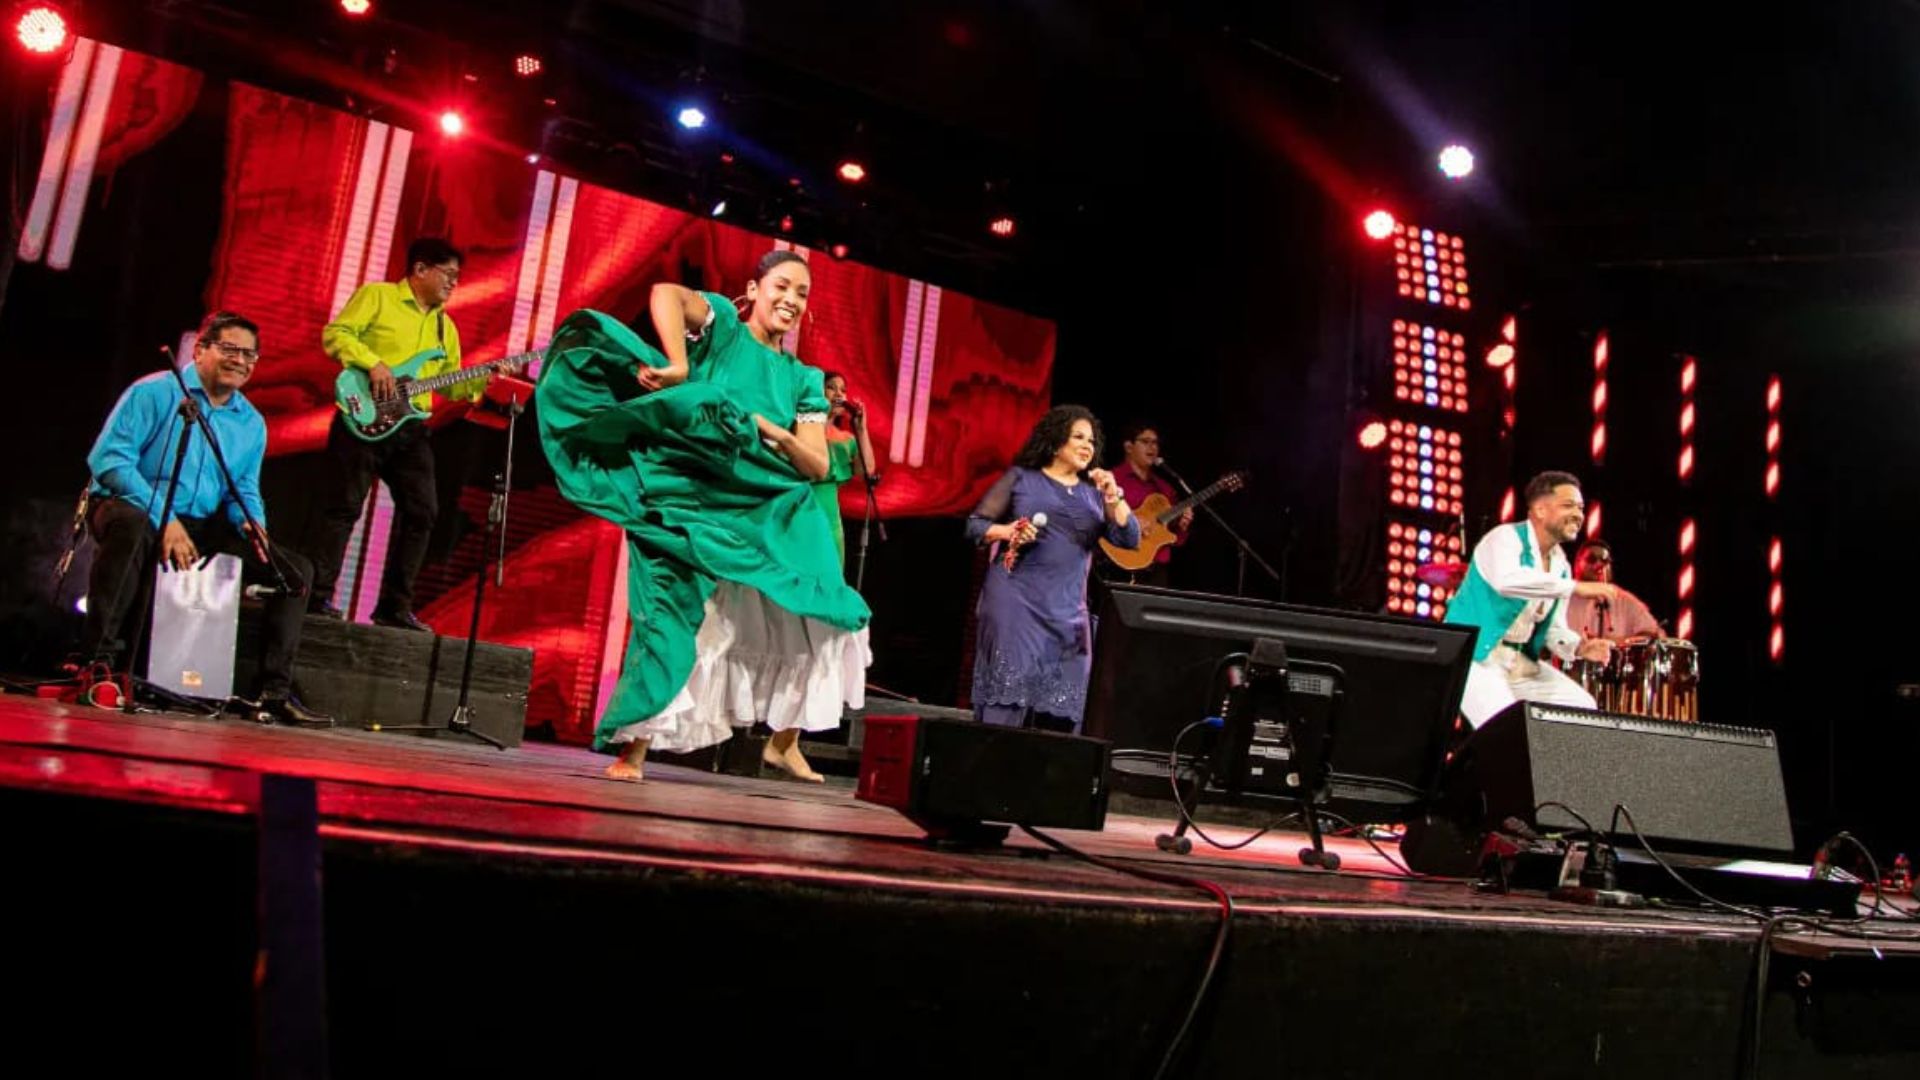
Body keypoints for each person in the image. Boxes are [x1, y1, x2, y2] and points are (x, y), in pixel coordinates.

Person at [537, 249, 871, 782]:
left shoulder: (804, 378)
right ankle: (635, 753)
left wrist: (777, 433)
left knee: (825, 604)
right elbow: (665, 293)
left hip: (758, 500)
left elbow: (812, 463)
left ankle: (783, 742)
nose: (791, 300)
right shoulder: (722, 328)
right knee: (667, 613)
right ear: (754, 289)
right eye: (782, 286)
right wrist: (678, 363)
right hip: (685, 496)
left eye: (802, 294)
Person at [78, 311, 332, 726]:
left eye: (250, 355)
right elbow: (109, 461)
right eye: (230, 349)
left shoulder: (251, 422)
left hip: (200, 523)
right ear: (200, 349)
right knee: (134, 527)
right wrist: (165, 519)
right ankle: (98, 665)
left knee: (296, 573)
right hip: (132, 506)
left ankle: (272, 692)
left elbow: (243, 487)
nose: (241, 361)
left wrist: (254, 523)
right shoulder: (156, 393)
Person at [307, 237, 481, 631]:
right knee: (344, 507)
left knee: (424, 513)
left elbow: (450, 385)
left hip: (410, 428)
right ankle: (316, 597)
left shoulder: (445, 327)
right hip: (360, 415)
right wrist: (374, 364)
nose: (453, 284)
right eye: (448, 275)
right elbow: (337, 334)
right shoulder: (379, 296)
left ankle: (394, 607)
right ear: (420, 269)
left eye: (457, 278)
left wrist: (480, 384)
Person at [967, 405, 1139, 733]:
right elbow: (976, 527)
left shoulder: (1094, 494)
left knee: (1063, 709)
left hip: (1068, 614)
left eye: (1091, 440)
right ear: (1056, 441)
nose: (1088, 445)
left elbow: (1130, 539)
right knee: (1007, 700)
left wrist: (1114, 496)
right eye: (1078, 437)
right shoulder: (1022, 479)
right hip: (1015, 601)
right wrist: (1008, 532)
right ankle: (990, 775)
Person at [1444, 470, 1617, 728]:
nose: (1578, 515)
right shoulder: (1504, 538)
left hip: (1517, 663)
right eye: (1568, 505)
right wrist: (1574, 588)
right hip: (1475, 656)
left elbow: (1553, 628)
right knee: (1508, 728)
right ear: (1539, 509)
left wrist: (1579, 647)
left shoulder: (1560, 565)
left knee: (1582, 711)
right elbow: (1507, 580)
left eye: (1580, 508)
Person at [1109, 421, 1191, 588]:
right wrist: (1129, 521)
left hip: (1157, 570)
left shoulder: (1165, 489)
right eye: (1145, 441)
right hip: (1118, 564)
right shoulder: (1111, 479)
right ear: (1129, 446)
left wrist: (1181, 525)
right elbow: (1095, 517)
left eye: (1155, 443)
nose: (1152, 448)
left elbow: (1172, 537)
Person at [812, 370, 880, 567]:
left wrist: (861, 429)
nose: (839, 394)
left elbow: (867, 469)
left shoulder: (845, 440)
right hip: (802, 512)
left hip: (831, 521)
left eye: (843, 390)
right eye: (831, 388)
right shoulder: (802, 431)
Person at [1564, 539, 1665, 642]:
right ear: (1577, 563)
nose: (1599, 564)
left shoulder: (1624, 600)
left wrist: (1617, 643)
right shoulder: (1562, 594)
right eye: (1591, 559)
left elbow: (1653, 634)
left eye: (1604, 560)